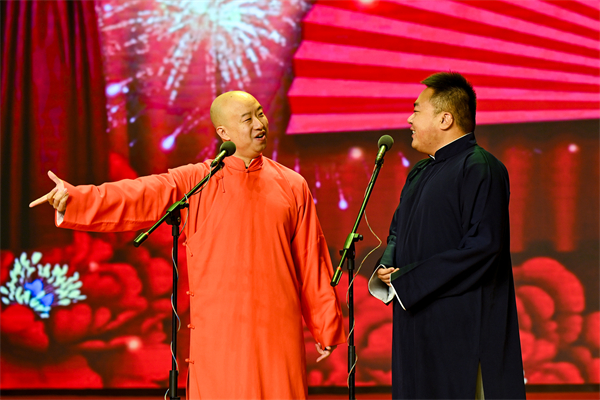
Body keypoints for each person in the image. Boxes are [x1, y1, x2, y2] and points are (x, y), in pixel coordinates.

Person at [30, 91, 345, 399]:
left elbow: (311, 258)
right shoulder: (197, 181)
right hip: (220, 327)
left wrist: (325, 324)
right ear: (223, 132)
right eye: (247, 119)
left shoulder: (292, 185)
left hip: (277, 326)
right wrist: (75, 198)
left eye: (260, 114)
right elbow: (138, 195)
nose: (259, 124)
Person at [368, 72, 525, 399]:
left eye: (416, 110)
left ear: (445, 119)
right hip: (416, 318)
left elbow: (484, 247)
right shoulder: (420, 171)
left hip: (461, 323)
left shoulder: (480, 167)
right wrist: (388, 268)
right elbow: (397, 231)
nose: (409, 119)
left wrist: (409, 280)